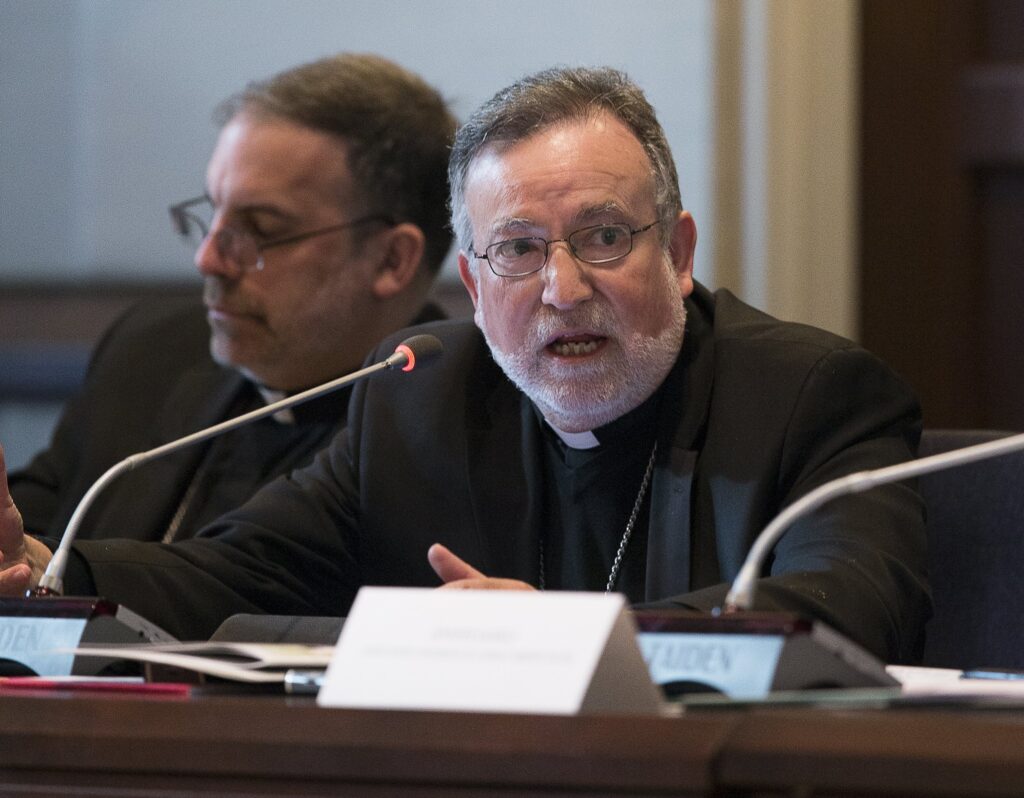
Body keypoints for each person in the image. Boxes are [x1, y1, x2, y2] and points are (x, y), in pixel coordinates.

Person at [0, 66, 929, 663]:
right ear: (476, 290)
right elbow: (231, 573)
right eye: (518, 250)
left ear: (678, 254)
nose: (563, 289)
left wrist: (567, 641)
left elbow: (839, 611)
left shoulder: (813, 396)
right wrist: (41, 570)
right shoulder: (423, 395)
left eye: (604, 238)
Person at [0, 53, 455, 578]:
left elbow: (233, 585)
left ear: (391, 260)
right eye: (212, 213)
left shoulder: (442, 433)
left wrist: (46, 566)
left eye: (260, 229)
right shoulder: (155, 348)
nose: (208, 259)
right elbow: (27, 513)